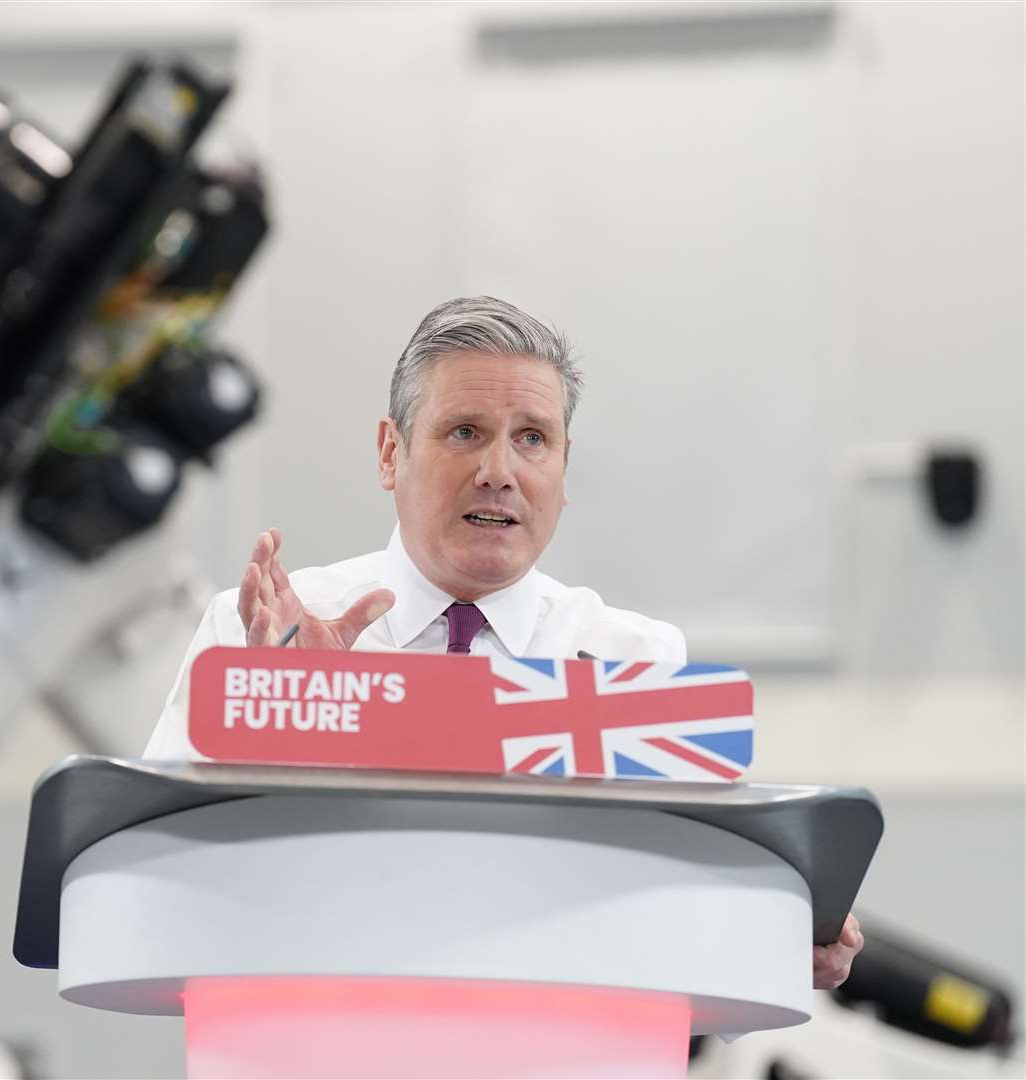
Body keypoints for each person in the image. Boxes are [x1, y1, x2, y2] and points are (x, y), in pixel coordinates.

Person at [142, 294, 864, 990]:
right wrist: (282, 723)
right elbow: (157, 896)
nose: (499, 472)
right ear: (391, 452)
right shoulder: (261, 632)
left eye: (532, 439)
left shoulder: (634, 667)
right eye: (464, 433)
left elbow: (688, 916)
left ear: (562, 466)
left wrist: (780, 937)